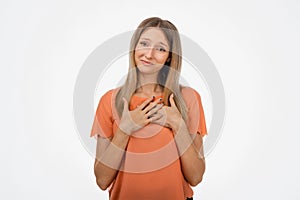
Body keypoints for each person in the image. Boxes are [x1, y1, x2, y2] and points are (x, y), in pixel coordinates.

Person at [90, 17, 207, 200]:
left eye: (160, 48)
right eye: (144, 44)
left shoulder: (188, 99)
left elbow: (196, 176)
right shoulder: (110, 101)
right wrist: (125, 129)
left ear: (169, 56)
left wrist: (178, 125)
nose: (149, 54)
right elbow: (102, 180)